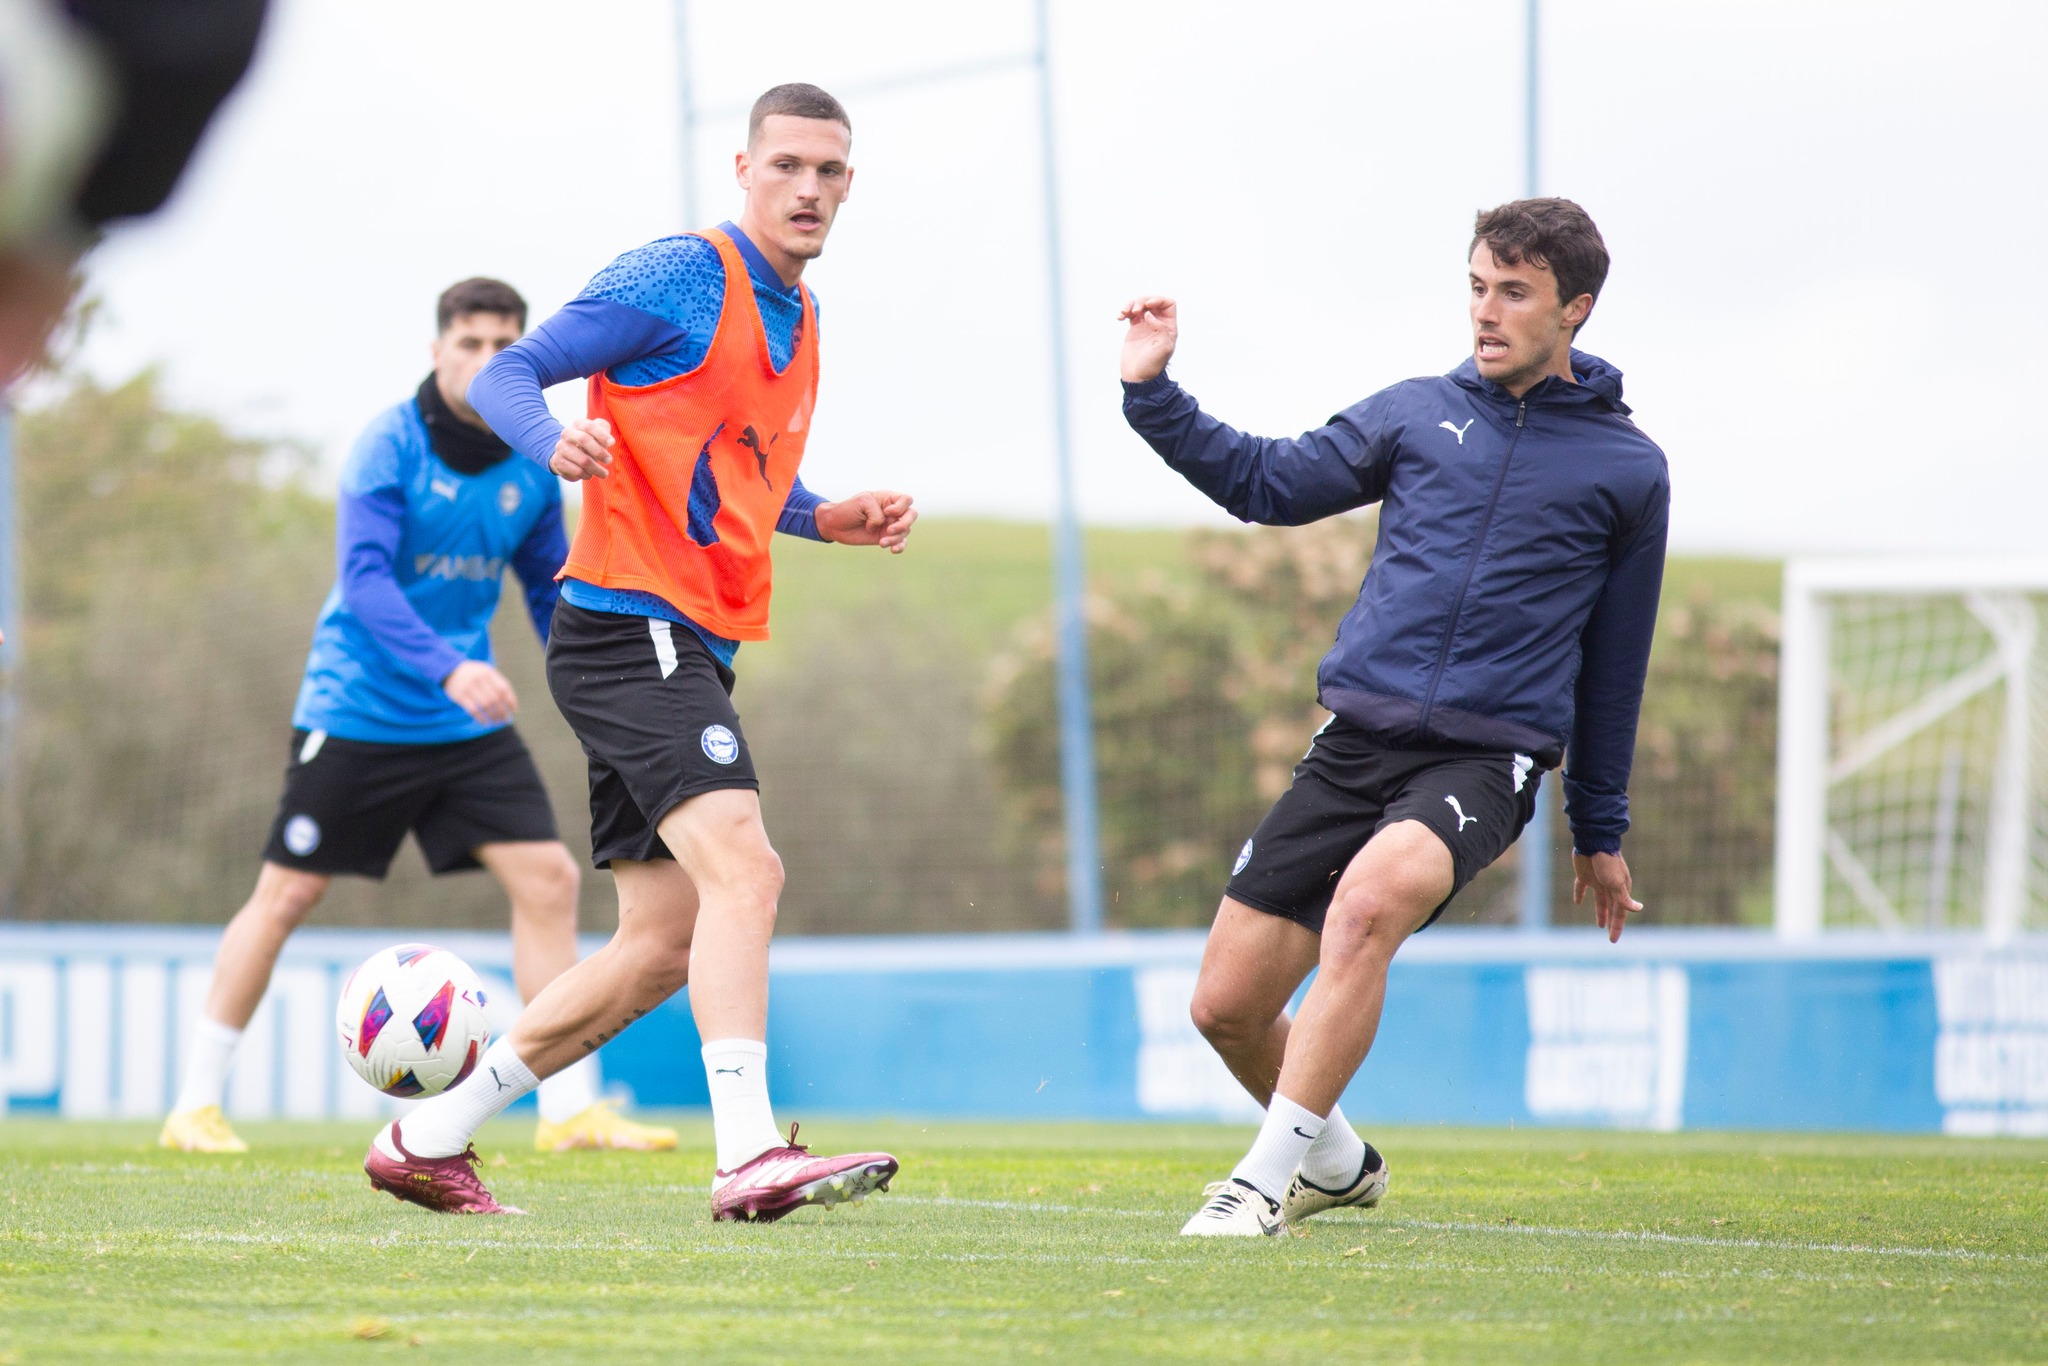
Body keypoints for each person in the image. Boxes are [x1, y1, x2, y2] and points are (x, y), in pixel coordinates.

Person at [361, 83, 916, 1222]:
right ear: (743, 170)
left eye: (831, 171)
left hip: (689, 640)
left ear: (848, 183)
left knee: (660, 943)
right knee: (746, 870)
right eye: (788, 166)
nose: (809, 188)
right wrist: (549, 433)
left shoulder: (800, 318)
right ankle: (748, 1152)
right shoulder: (680, 274)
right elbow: (509, 371)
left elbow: (737, 475)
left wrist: (825, 516)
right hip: (630, 626)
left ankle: (427, 1135)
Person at [1118, 198, 1668, 1237]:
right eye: (1475, 285)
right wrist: (1152, 392)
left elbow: (1614, 666)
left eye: (1513, 291)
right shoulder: (1415, 413)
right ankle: (1333, 1162)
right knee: (1224, 1007)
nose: (1485, 311)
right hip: (1352, 745)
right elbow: (1266, 482)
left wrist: (1597, 828)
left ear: (1574, 310)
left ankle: (1257, 1185)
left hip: (1483, 760)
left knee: (1367, 907)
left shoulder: (1627, 470)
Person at [160, 277, 676, 1157]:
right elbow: (363, 583)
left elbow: (553, 594)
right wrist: (450, 668)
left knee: (550, 880)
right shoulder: (385, 449)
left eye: (502, 347)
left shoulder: (531, 462)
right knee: (286, 893)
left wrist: (601, 698)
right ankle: (194, 1107)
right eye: (468, 344)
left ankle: (568, 1114)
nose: (484, 361)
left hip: (462, 724)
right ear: (437, 352)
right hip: (359, 709)